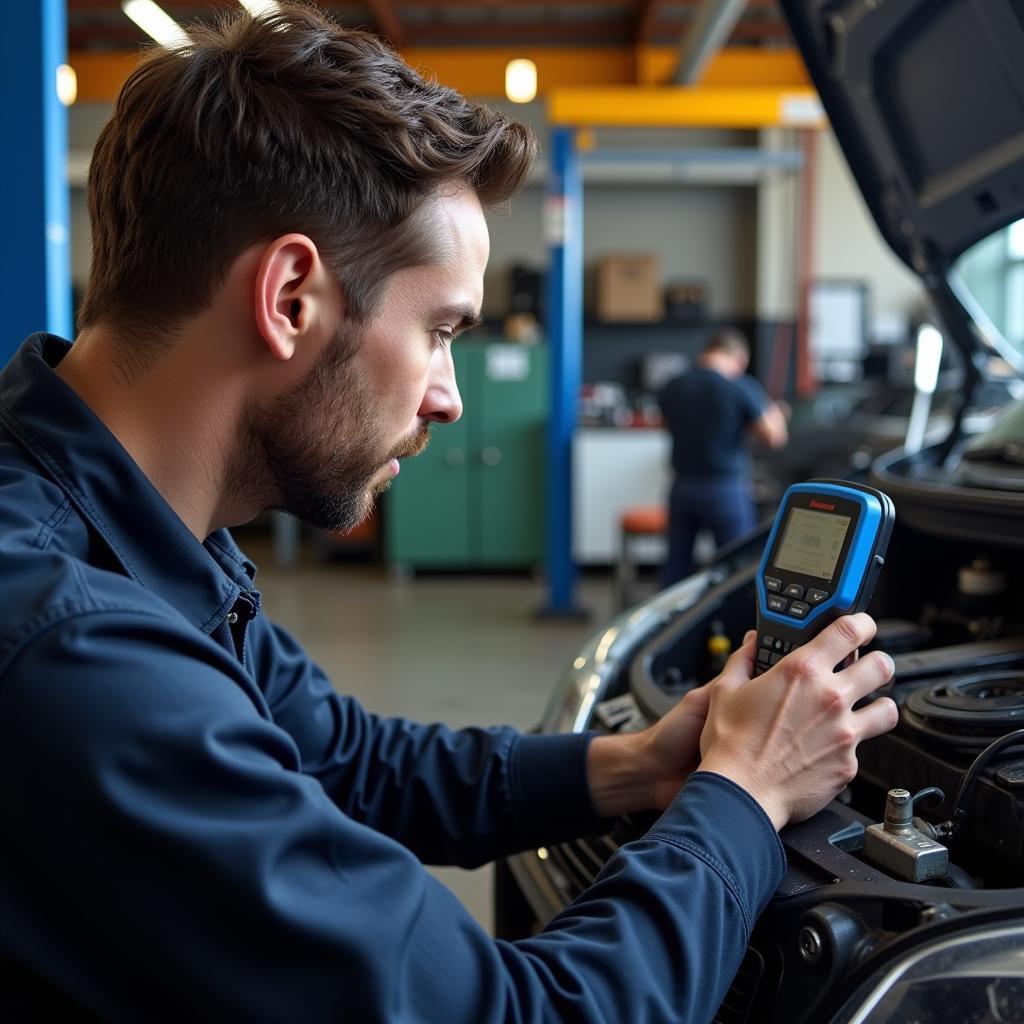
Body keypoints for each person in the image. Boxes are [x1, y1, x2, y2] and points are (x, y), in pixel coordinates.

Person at [0, 5, 897, 1020]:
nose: (450, 395)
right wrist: (744, 796)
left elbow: (348, 759)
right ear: (291, 297)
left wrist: (635, 766)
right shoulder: (75, 650)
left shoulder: (140, 538)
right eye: (438, 329)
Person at [658, 329, 789, 587]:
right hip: (724, 490)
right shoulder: (740, 386)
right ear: (739, 358)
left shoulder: (674, 385)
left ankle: (672, 626)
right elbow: (774, 438)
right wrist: (775, 410)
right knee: (736, 570)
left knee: (676, 571)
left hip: (681, 488)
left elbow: (664, 425)